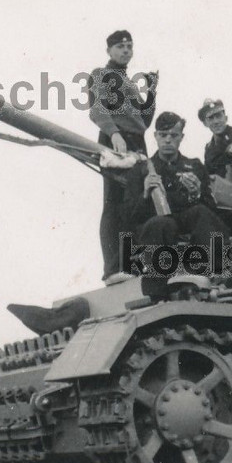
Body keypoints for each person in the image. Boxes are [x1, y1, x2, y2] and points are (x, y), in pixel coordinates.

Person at [122, 112, 229, 299]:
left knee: (201, 212)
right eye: (163, 135)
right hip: (156, 225)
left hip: (186, 220)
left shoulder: (194, 165)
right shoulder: (140, 170)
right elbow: (128, 215)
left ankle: (208, 274)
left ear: (181, 137)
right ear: (155, 136)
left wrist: (197, 194)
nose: (168, 140)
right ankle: (157, 292)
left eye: (174, 135)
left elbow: (212, 210)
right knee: (161, 224)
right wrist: (145, 194)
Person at [89, 30, 158, 284]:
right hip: (116, 140)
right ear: (109, 50)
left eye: (129, 46)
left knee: (137, 202)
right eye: (120, 46)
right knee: (114, 202)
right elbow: (97, 110)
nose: (126, 50)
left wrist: (151, 92)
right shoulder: (101, 75)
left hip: (137, 142)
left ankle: (132, 265)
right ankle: (113, 268)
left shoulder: (128, 82)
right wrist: (114, 134)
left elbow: (143, 122)